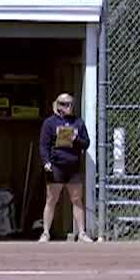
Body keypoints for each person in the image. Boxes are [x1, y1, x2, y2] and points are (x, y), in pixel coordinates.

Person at [39, 93, 92, 243]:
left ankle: (81, 233)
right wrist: (46, 162)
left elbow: (86, 143)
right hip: (56, 166)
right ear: (58, 106)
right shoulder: (50, 123)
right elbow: (43, 145)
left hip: (73, 167)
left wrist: (76, 139)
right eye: (64, 104)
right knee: (51, 199)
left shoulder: (78, 122)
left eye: (70, 104)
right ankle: (46, 233)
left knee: (76, 199)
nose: (68, 107)